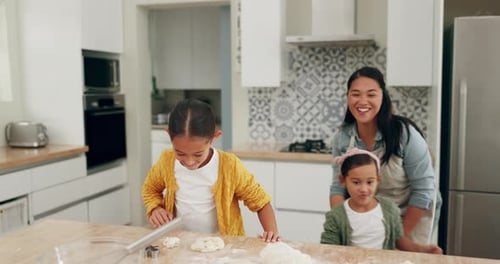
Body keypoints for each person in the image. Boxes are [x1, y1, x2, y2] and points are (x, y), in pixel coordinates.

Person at [329, 66, 441, 244]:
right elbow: (337, 188)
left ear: (383, 96)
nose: (363, 101)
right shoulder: (343, 138)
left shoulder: (405, 134)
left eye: (371, 94)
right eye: (356, 94)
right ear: (348, 97)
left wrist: (399, 237)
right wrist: (339, 225)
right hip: (367, 220)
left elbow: (424, 191)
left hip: (409, 217)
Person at [142, 98, 280, 242]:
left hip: (223, 247)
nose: (189, 162)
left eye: (198, 154)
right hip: (179, 243)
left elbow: (261, 202)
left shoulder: (229, 166)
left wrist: (271, 232)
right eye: (180, 153)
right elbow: (150, 188)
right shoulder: (166, 161)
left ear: (214, 138)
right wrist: (155, 208)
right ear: (169, 135)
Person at [321, 148, 442, 254]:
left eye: (370, 182)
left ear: (378, 180)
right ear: (343, 180)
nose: (364, 189)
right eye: (356, 182)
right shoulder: (336, 215)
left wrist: (422, 250)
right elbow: (328, 249)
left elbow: (399, 240)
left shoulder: (389, 208)